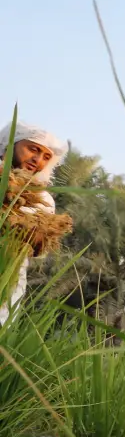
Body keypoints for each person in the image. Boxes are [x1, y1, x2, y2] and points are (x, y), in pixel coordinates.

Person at [0, 121, 69, 326]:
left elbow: (38, 248)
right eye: (33, 149)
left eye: (46, 156)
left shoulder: (43, 199)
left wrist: (15, 225)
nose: (38, 159)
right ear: (11, 144)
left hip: (8, 281)